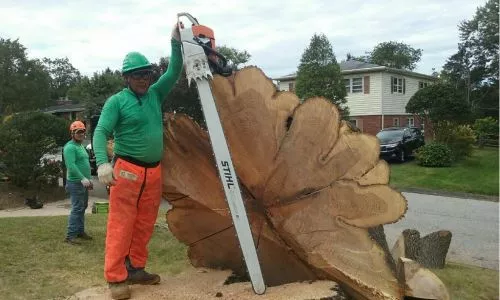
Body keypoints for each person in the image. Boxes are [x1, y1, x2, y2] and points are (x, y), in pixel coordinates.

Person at [93, 25, 183, 300]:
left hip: (153, 172)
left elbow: (174, 71)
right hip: (127, 171)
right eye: (137, 75)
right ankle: (116, 278)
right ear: (127, 78)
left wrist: (175, 43)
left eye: (146, 74)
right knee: (121, 224)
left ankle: (136, 269)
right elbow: (100, 132)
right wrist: (102, 163)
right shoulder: (117, 102)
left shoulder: (155, 94)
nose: (143, 79)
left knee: (144, 224)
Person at [63, 120, 93, 245]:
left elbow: (84, 164)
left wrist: (89, 179)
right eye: (78, 132)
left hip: (84, 183)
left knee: (82, 207)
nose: (81, 134)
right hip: (76, 183)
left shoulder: (80, 146)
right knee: (77, 208)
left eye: (83, 132)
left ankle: (80, 231)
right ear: (72, 133)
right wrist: (82, 178)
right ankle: (70, 236)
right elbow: (71, 166)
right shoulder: (69, 147)